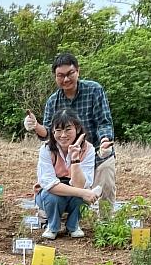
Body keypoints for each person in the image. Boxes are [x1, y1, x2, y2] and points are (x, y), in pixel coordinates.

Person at [24, 52, 116, 208]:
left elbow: (103, 121)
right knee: (71, 194)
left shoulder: (94, 90)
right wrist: (35, 126)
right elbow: (47, 133)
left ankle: (106, 226)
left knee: (105, 186)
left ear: (78, 71)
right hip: (68, 158)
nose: (66, 79)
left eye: (70, 74)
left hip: (97, 150)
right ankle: (69, 222)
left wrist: (105, 140)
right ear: (55, 77)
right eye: (60, 75)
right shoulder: (53, 101)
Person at [35, 109, 100, 240]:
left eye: (68, 130)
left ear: (77, 129)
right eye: (58, 130)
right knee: (52, 197)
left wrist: (75, 159)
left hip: (74, 191)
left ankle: (73, 225)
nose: (63, 135)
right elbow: (49, 184)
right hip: (50, 193)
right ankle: (53, 226)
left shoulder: (89, 149)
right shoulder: (46, 150)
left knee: (80, 198)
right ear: (52, 132)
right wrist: (83, 193)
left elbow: (81, 185)